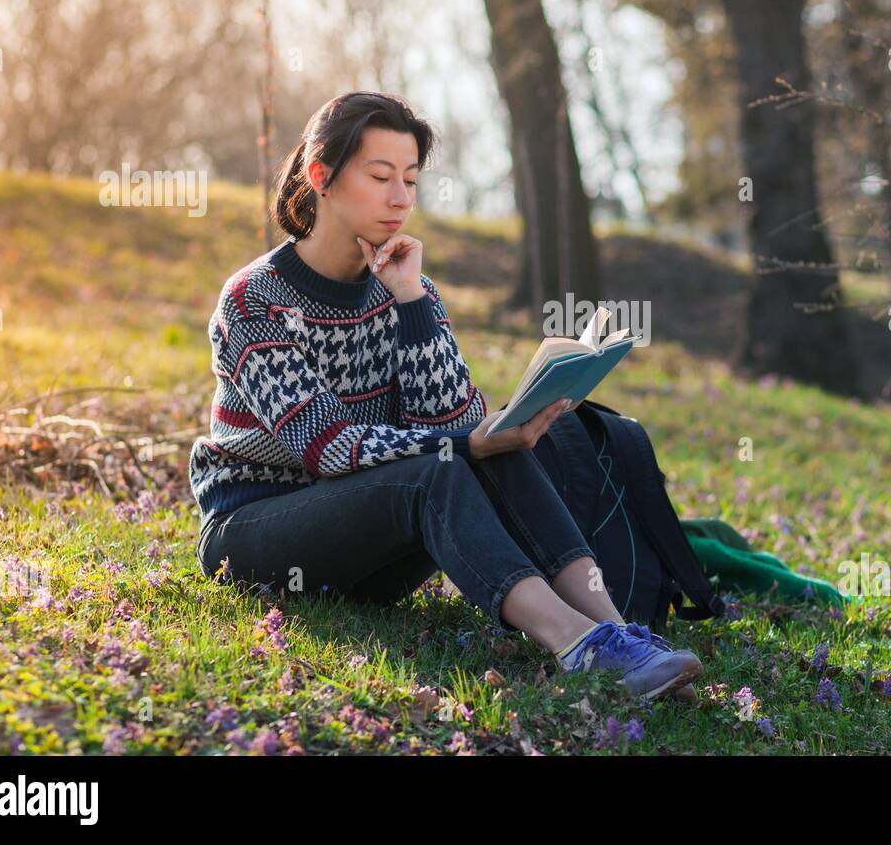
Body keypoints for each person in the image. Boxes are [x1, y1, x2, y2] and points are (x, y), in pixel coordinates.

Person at [187, 91, 703, 702]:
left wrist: (410, 305)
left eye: (410, 179)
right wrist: (467, 441)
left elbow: (455, 418)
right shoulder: (254, 299)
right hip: (256, 534)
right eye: (380, 177)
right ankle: (575, 643)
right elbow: (326, 448)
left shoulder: (411, 288)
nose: (401, 198)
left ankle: (619, 634)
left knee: (485, 451)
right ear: (321, 176)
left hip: (370, 550)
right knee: (443, 465)